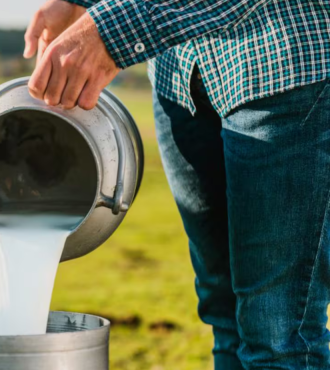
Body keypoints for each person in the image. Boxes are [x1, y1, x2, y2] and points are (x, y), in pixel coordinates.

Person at [23, 0, 330, 368]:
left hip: (283, 63)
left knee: (277, 332)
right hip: (180, 74)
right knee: (225, 313)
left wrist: (111, 28)